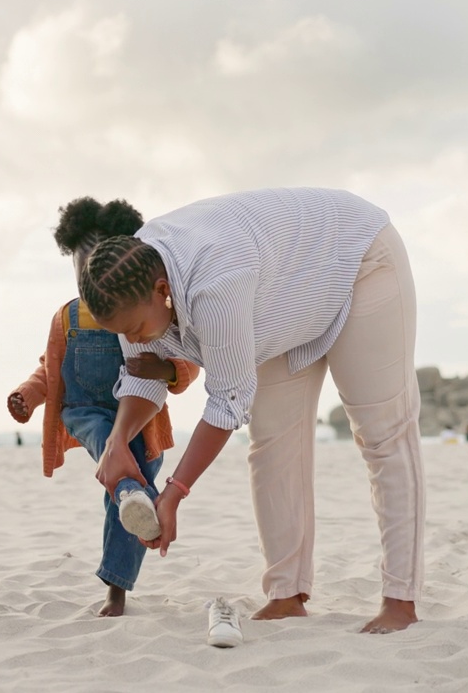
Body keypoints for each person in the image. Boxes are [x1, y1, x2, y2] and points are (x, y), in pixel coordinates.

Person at [82, 187, 425, 634]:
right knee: (272, 444)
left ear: (162, 290)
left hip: (356, 258)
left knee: (383, 436)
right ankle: (288, 594)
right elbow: (143, 372)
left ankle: (401, 601)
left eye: (135, 329)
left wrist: (175, 491)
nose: (137, 339)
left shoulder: (216, 286)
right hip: (280, 299)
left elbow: (227, 401)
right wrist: (116, 442)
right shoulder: (128, 281)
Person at [7, 197, 199, 617]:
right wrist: (28, 395)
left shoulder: (147, 311)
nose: (89, 276)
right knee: (101, 438)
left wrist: (165, 368)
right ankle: (130, 489)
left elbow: (187, 362)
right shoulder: (66, 318)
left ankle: (118, 584)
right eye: (80, 266)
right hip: (84, 411)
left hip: (139, 423)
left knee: (127, 506)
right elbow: (50, 370)